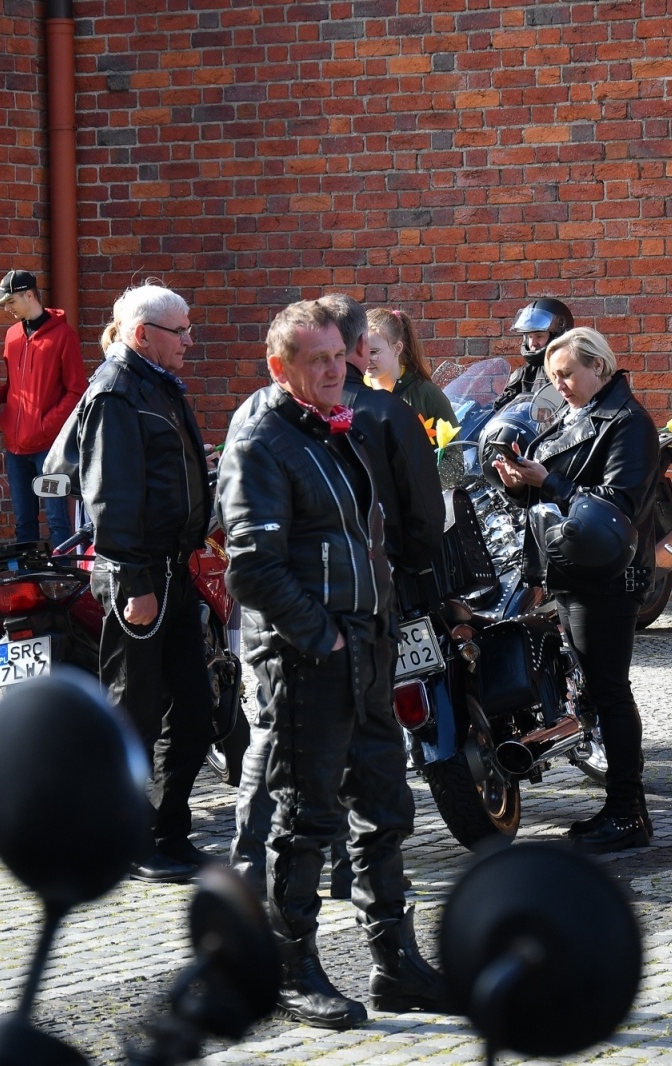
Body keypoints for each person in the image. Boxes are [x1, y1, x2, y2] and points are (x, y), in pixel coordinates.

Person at [219, 300, 445, 1030]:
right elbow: (251, 565)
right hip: (307, 659)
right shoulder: (264, 439)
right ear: (279, 368)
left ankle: (395, 963)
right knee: (304, 818)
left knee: (384, 810)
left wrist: (371, 630)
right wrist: (325, 637)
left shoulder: (336, 427)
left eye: (338, 355)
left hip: (365, 647)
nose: (335, 369)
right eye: (316, 360)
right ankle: (291, 970)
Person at [491, 326, 660, 853]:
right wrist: (518, 482)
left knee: (609, 691)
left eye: (566, 373)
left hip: (608, 576)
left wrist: (548, 482)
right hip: (572, 569)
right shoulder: (577, 415)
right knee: (596, 688)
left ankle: (629, 812)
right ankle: (620, 807)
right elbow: (552, 500)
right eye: (552, 376)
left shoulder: (629, 423)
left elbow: (618, 502)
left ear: (599, 367)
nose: (559, 384)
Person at [75, 283, 214, 884]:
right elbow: (111, 498)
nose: (190, 340)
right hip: (141, 574)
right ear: (142, 335)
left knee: (192, 709)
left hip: (173, 568)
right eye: (179, 331)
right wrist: (135, 581)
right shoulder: (115, 393)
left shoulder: (156, 384)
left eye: (188, 328)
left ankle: (167, 830)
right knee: (133, 709)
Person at [0, 269, 86, 545]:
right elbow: (13, 387)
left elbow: (76, 392)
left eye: (11, 301)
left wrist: (46, 426)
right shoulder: (12, 335)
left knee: (56, 519)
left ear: (29, 295)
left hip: (48, 452)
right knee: (23, 523)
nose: (7, 308)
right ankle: (27, 585)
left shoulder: (63, 336)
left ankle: (64, 585)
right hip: (15, 450)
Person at [363, 307, 457, 431]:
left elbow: (453, 447)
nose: (365, 358)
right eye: (360, 350)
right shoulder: (353, 391)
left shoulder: (427, 395)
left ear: (397, 348)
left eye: (373, 351)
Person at [494, 297, 574, 413]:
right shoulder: (523, 375)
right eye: (529, 337)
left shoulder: (574, 372)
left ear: (558, 335)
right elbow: (499, 407)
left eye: (539, 336)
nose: (533, 344)